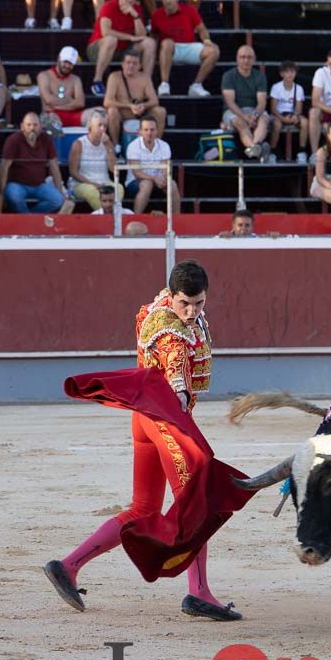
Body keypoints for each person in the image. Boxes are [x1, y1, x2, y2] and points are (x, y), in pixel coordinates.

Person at [44, 260, 244, 621]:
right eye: (185, 303)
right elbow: (175, 369)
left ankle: (68, 566)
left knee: (143, 510)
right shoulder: (172, 335)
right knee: (198, 501)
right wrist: (180, 399)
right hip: (166, 420)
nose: (192, 311)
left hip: (143, 420)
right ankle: (198, 593)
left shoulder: (155, 308)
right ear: (172, 295)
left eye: (199, 303)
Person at [86, 0, 155, 96]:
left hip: (122, 50)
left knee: (150, 43)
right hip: (98, 49)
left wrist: (134, 15)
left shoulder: (136, 9)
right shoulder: (109, 5)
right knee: (111, 40)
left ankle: (145, 84)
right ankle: (97, 80)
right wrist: (129, 37)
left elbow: (142, 36)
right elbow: (105, 32)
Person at [151, 0, 216, 98]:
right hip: (170, 50)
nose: (167, 1)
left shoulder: (190, 10)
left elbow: (202, 29)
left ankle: (196, 85)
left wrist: (207, 41)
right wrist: (154, 53)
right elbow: (154, 37)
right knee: (167, 43)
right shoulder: (156, 14)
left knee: (214, 50)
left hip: (189, 47)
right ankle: (164, 84)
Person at [1, 111, 74, 213]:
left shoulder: (47, 139)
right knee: (14, 197)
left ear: (40, 126)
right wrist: (2, 193)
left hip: (39, 185)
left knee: (58, 200)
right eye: (29, 125)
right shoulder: (13, 140)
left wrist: (60, 190)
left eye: (35, 125)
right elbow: (4, 168)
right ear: (22, 126)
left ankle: (30, 220)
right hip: (17, 184)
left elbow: (54, 167)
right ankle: (30, 222)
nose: (32, 128)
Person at [103, 50, 166, 147]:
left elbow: (154, 101)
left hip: (141, 113)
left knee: (161, 111)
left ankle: (156, 145)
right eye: (128, 62)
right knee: (112, 111)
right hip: (123, 113)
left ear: (140, 66)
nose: (131, 66)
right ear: (123, 64)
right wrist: (129, 106)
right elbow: (107, 102)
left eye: (134, 63)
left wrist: (143, 106)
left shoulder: (145, 78)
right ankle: (116, 146)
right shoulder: (114, 77)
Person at [221, 45, 269, 161]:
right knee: (239, 122)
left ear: (254, 59)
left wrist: (255, 116)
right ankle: (258, 148)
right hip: (233, 111)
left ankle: (254, 148)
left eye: (249, 57)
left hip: (254, 110)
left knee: (264, 120)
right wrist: (245, 117)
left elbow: (262, 102)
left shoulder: (260, 76)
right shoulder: (229, 76)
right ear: (237, 59)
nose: (246, 60)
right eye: (242, 57)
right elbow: (230, 102)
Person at [67, 111, 119, 209]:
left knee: (119, 188)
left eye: (105, 126)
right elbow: (73, 172)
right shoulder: (79, 144)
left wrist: (108, 145)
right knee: (92, 191)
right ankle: (105, 217)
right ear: (90, 126)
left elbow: (113, 169)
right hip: (83, 183)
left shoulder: (108, 143)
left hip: (104, 181)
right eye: (99, 125)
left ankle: (112, 216)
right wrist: (93, 184)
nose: (103, 129)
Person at [39, 46, 96, 129]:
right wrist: (69, 100)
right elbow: (48, 100)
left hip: (73, 115)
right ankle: (58, 142)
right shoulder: (44, 75)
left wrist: (57, 106)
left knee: (100, 112)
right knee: (50, 119)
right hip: (51, 115)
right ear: (59, 58)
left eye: (71, 63)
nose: (67, 66)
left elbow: (80, 103)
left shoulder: (75, 79)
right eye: (65, 62)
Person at [124, 114, 171, 212]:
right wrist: (154, 179)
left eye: (152, 129)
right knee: (147, 183)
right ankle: (136, 219)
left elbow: (165, 169)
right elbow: (137, 173)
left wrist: (164, 179)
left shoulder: (164, 145)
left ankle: (176, 219)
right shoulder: (133, 146)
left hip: (158, 181)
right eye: (146, 130)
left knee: (172, 184)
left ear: (157, 130)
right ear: (140, 131)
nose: (149, 133)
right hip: (135, 183)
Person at [268, 60, 308, 163]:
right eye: (287, 72)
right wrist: (283, 118)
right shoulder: (276, 87)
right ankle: (272, 152)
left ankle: (302, 151)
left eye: (292, 72)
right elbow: (273, 108)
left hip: (292, 114)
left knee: (305, 122)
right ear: (281, 74)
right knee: (276, 124)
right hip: (278, 115)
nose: (290, 74)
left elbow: (299, 108)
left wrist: (295, 116)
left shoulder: (299, 88)